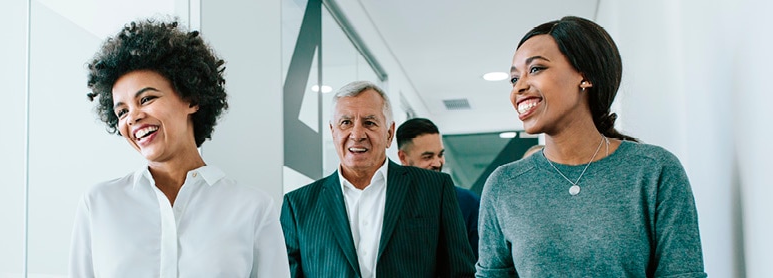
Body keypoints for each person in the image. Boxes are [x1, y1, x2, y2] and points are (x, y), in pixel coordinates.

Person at [476, 16, 706, 277]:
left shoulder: (654, 170)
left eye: (536, 69)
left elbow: (682, 273)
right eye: (514, 79)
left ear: (584, 76)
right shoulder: (504, 185)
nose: (520, 87)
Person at [70, 19, 289, 277]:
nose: (133, 117)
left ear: (191, 99)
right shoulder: (99, 204)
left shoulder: (253, 208)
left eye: (147, 99)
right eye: (122, 111)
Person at [280, 81, 475, 278]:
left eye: (369, 123)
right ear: (333, 131)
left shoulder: (434, 189)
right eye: (346, 122)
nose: (356, 134)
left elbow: (459, 272)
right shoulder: (298, 206)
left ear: (389, 134)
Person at [395, 118, 481, 260]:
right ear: (403, 157)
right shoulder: (389, 204)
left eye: (440, 155)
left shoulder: (468, 203)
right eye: (427, 157)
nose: (437, 163)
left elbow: (482, 264)